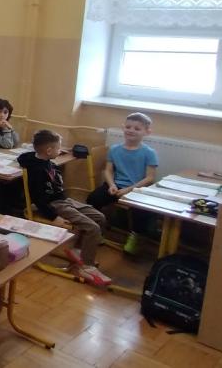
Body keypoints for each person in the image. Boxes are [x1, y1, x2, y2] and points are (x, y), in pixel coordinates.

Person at [18, 130, 112, 287]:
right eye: (58, 148)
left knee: (100, 218)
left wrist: (54, 152)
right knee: (93, 228)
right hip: (54, 205)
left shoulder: (47, 161)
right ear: (49, 151)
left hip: (65, 200)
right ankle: (87, 267)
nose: (60, 150)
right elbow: (39, 200)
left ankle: (78, 250)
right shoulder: (37, 171)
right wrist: (54, 217)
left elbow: (28, 156)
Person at [87, 112, 159, 253]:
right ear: (123, 127)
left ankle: (135, 236)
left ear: (147, 132)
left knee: (141, 210)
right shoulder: (114, 149)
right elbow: (108, 171)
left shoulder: (149, 152)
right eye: (128, 127)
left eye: (137, 128)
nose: (131, 130)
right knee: (93, 198)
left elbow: (150, 178)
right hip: (116, 186)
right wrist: (112, 185)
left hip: (137, 188)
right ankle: (96, 230)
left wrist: (129, 189)